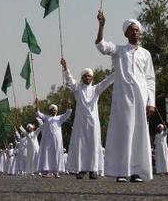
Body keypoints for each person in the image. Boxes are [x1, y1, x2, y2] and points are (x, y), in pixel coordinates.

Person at [95, 11, 156, 183]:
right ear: (126, 34)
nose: (134, 32)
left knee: (138, 135)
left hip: (140, 100)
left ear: (140, 32)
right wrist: (101, 25)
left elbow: (150, 79)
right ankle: (121, 171)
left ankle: (136, 172)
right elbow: (101, 45)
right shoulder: (119, 51)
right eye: (131, 30)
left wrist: (151, 102)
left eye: (136, 30)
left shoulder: (146, 54)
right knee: (123, 133)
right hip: (123, 100)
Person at [62, 59, 113, 179]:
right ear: (82, 78)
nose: (87, 78)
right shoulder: (77, 88)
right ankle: (80, 169)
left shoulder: (96, 89)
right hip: (80, 122)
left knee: (94, 145)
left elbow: (107, 81)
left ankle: (93, 170)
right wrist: (65, 67)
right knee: (81, 145)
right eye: (85, 76)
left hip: (93, 123)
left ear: (92, 78)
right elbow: (69, 80)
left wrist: (118, 70)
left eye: (89, 76)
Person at [35, 101, 72, 177]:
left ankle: (56, 171)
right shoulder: (46, 117)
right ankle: (47, 171)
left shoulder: (59, 118)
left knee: (56, 153)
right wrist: (37, 105)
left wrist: (69, 106)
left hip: (57, 139)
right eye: (51, 109)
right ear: (49, 111)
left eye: (54, 109)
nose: (53, 111)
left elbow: (67, 114)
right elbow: (38, 113)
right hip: (47, 139)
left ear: (57, 111)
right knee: (47, 154)